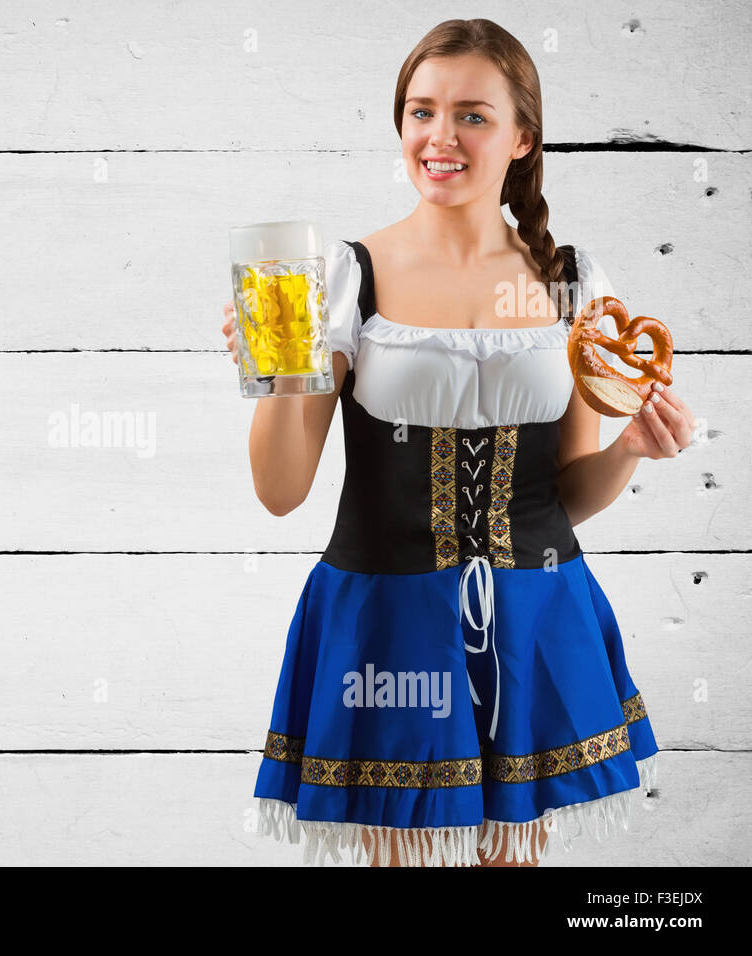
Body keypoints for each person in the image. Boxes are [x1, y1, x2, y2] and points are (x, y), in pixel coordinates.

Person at [221, 19, 698, 867]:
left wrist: (632, 450)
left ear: (521, 137)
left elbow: (568, 494)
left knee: (513, 861)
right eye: (420, 112)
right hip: (384, 620)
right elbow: (281, 490)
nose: (440, 137)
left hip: (537, 613)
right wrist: (275, 378)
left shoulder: (572, 283)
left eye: (472, 115)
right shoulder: (343, 274)